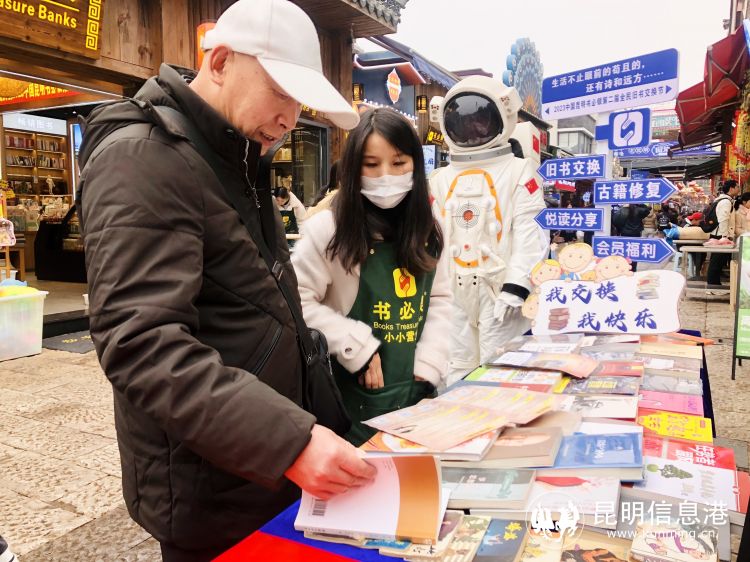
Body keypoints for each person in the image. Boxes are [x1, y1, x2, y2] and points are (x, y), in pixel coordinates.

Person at [76, 0, 376, 559]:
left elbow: (254, 306)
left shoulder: (233, 155)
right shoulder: (143, 157)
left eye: (300, 102)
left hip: (261, 471)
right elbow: (141, 342)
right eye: (281, 92)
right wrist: (290, 440)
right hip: (211, 486)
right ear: (218, 62)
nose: (290, 119)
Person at [292, 108, 451, 445]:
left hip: (418, 396)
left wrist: (429, 364)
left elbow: (439, 300)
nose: (386, 176)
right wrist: (356, 345)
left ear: (415, 164)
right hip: (351, 400)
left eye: (398, 162)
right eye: (371, 164)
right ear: (353, 168)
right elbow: (294, 303)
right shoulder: (328, 230)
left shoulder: (430, 229)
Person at [429, 77, 548, 384]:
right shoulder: (439, 179)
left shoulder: (519, 171)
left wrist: (517, 285)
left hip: (498, 288)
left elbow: (530, 233)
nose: (473, 128)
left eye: (480, 119)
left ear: (503, 115)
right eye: (464, 120)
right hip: (452, 287)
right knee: (457, 366)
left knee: (499, 368)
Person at [707, 180, 740, 287]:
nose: (739, 189)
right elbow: (723, 219)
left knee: (718, 261)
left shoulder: (725, 200)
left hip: (720, 234)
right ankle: (713, 286)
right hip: (720, 235)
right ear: (731, 188)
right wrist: (724, 237)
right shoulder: (726, 202)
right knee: (717, 261)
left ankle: (714, 284)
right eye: (737, 187)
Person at [612, 203, 649, 271]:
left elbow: (615, 222)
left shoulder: (621, 211)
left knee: (625, 252)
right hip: (636, 235)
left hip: (624, 234)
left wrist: (621, 229)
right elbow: (647, 210)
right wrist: (639, 204)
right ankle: (633, 269)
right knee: (634, 252)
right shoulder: (638, 210)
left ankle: (625, 268)